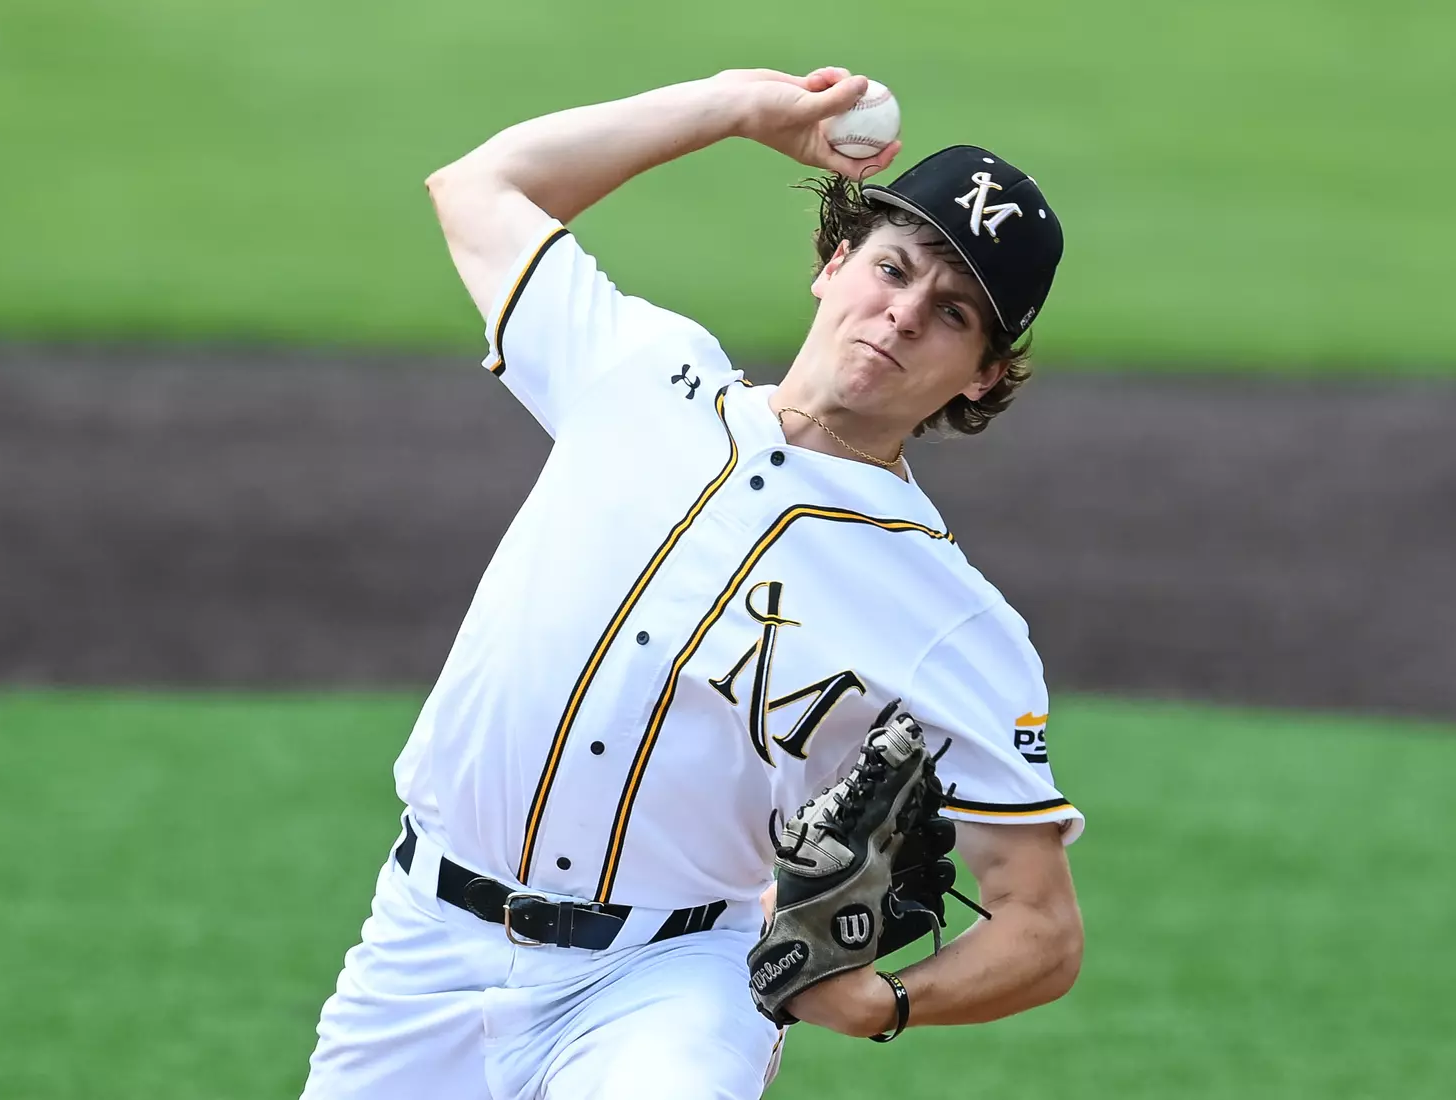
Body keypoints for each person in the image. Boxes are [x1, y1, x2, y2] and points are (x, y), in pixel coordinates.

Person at [300, 66, 1084, 1100]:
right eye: (893, 270)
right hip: (420, 947)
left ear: (983, 373)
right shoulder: (640, 369)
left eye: (950, 314)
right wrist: (734, 109)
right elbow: (480, 187)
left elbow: (1040, 924)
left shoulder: (953, 618)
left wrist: (890, 1002)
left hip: (672, 981)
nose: (900, 315)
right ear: (835, 261)